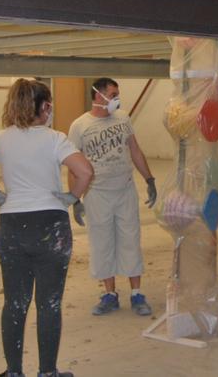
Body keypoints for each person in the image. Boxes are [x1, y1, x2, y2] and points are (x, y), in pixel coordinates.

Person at [0, 78, 94, 377]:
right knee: (49, 304)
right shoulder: (55, 139)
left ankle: (13, 371)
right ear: (45, 107)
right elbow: (84, 170)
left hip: (11, 227)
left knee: (15, 304)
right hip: (50, 226)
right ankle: (47, 372)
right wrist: (72, 197)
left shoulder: (0, 139)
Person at [67, 77, 158, 317]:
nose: (117, 99)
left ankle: (137, 294)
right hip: (97, 194)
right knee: (102, 244)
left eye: (117, 94)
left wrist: (149, 179)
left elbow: (135, 150)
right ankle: (110, 295)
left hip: (125, 190)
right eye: (113, 94)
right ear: (98, 95)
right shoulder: (79, 126)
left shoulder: (123, 118)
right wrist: (75, 199)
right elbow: (73, 165)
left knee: (131, 240)